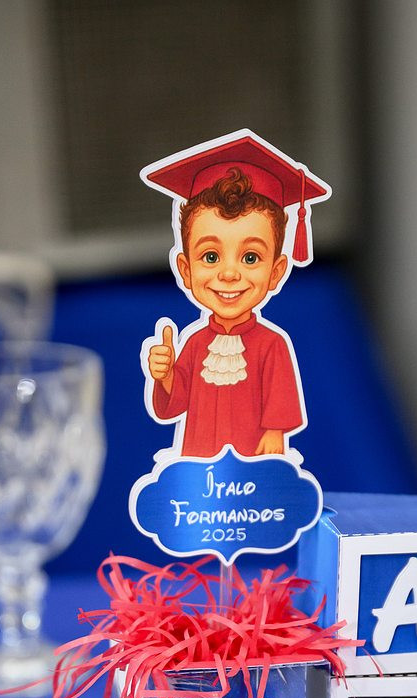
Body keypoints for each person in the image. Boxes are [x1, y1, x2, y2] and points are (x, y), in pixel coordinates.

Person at [141, 130, 330, 460]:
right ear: (185, 269)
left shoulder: (272, 344)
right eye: (211, 256)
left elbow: (281, 400)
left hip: (253, 467)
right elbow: (174, 405)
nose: (229, 274)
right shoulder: (194, 344)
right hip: (199, 469)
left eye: (251, 257)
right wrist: (166, 374)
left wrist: (274, 433)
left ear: (277, 272)